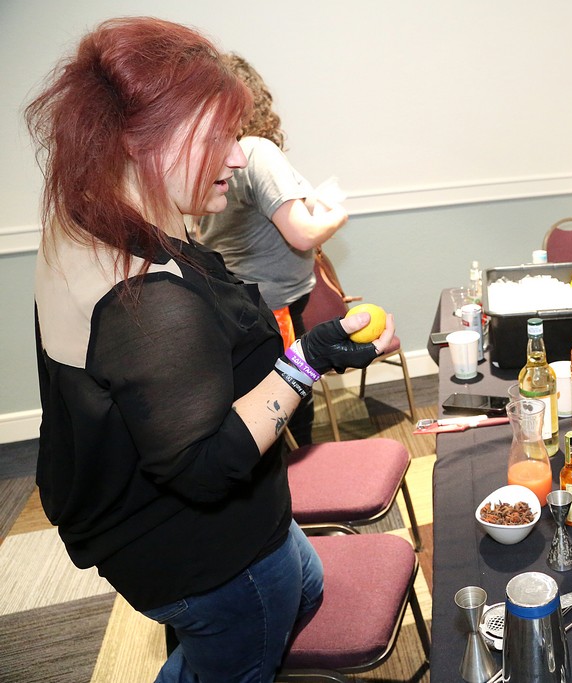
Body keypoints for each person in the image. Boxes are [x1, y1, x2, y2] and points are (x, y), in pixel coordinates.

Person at [27, 17, 393, 683]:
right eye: (218, 136)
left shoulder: (90, 214)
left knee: (304, 591)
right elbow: (203, 464)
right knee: (245, 646)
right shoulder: (148, 299)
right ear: (141, 141)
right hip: (208, 557)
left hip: (219, 522)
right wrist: (308, 358)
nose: (238, 156)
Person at [194, 53, 350, 446]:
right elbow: (303, 235)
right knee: (290, 396)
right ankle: (300, 475)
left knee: (263, 394)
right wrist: (337, 217)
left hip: (240, 301)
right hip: (272, 306)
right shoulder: (256, 152)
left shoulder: (216, 162)